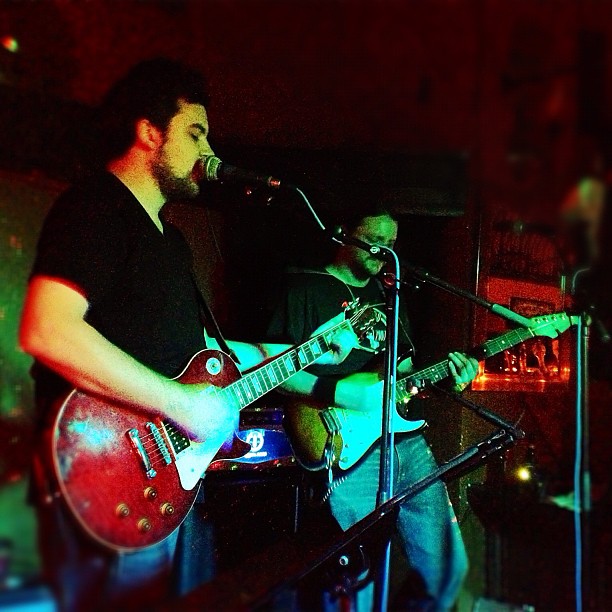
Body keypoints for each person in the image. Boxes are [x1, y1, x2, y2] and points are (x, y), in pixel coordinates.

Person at [18, 57, 357, 611]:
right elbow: (47, 327)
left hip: (148, 490)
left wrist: (312, 348)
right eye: (195, 131)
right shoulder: (97, 207)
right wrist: (181, 403)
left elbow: (203, 352)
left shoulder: (171, 243)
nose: (210, 149)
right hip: (93, 480)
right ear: (149, 132)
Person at [266, 204, 479, 611]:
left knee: (446, 568)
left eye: (392, 243)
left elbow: (404, 375)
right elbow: (277, 372)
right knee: (352, 581)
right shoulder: (305, 290)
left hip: (403, 440)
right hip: (344, 439)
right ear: (347, 233)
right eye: (376, 241)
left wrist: (449, 378)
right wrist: (335, 398)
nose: (384, 251)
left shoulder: (389, 297)